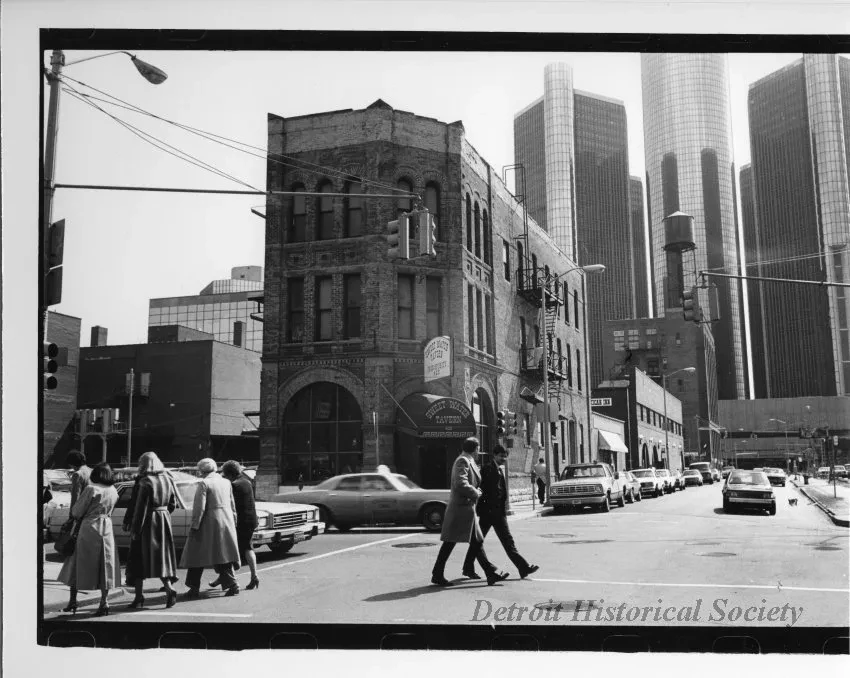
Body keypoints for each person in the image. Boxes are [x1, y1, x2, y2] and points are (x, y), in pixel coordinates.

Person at [430, 437, 508, 587]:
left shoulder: (468, 460)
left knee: (472, 541)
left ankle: (490, 573)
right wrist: (475, 492)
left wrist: (475, 491)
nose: (479, 452)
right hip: (461, 509)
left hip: (466, 509)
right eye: (478, 448)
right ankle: (438, 574)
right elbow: (460, 482)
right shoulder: (463, 461)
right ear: (475, 448)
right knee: (453, 543)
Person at [463, 445, 539, 579]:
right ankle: (468, 568)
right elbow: (482, 490)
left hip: (498, 513)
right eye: (501, 456)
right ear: (495, 455)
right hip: (488, 513)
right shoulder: (487, 469)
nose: (504, 459)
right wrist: (483, 508)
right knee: (478, 542)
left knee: (507, 541)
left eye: (505, 456)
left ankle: (523, 568)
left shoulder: (499, 470)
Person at [57, 463, 121, 616]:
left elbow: (77, 511)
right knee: (105, 564)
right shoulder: (113, 490)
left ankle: (73, 600)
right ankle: (104, 601)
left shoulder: (92, 489)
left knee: (77, 563)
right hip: (106, 526)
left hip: (89, 527)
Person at [125, 451, 180, 609]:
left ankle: (138, 597)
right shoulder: (168, 479)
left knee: (137, 560)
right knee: (161, 559)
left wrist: (135, 529)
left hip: (147, 522)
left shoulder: (145, 481)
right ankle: (169, 588)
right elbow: (172, 504)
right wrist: (162, 515)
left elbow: (140, 509)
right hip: (163, 521)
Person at [179, 458, 241, 599]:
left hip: (209, 522)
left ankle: (193, 588)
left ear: (202, 471)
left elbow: (199, 508)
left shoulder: (204, 483)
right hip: (226, 521)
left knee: (195, 556)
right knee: (223, 555)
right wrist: (234, 520)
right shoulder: (226, 482)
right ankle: (233, 584)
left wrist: (195, 525)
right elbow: (232, 504)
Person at [212, 460, 259, 590]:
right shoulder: (247, 482)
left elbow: (229, 505)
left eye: (225, 474)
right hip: (251, 520)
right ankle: (254, 576)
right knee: (248, 548)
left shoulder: (233, 485)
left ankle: (227, 579)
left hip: (239, 522)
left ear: (229, 474)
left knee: (231, 550)